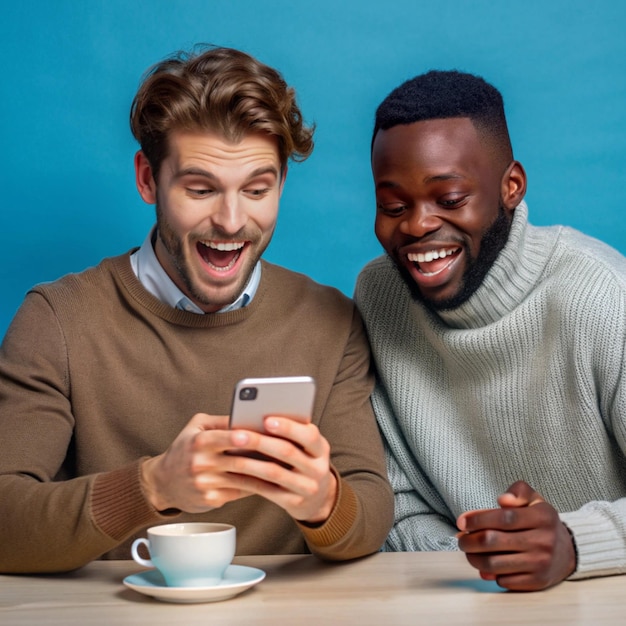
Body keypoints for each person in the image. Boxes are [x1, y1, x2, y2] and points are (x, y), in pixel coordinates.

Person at [0, 45, 393, 574]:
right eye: (201, 188)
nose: (232, 221)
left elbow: (371, 515)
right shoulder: (57, 319)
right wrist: (153, 485)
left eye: (257, 189)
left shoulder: (330, 320)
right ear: (147, 180)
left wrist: (323, 500)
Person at [354, 69, 626, 591]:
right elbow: (399, 499)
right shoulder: (379, 297)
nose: (416, 225)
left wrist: (575, 543)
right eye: (392, 206)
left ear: (511, 187)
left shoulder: (601, 297)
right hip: (462, 601)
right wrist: (483, 561)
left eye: (449, 198)